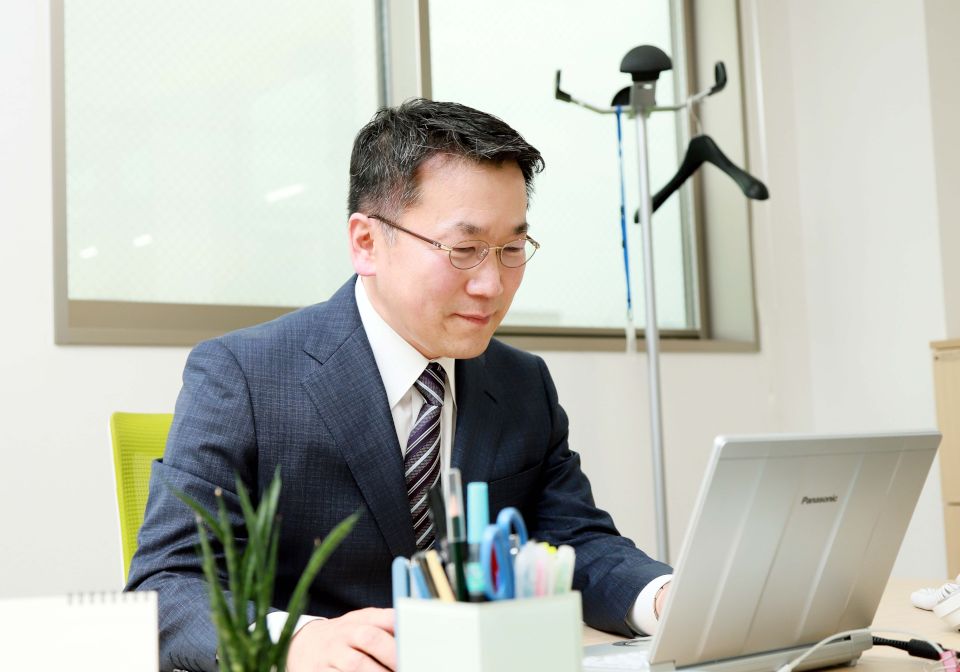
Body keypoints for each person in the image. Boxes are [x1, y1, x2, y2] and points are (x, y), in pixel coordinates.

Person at [127, 98, 673, 672]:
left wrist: (666, 599)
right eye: (464, 250)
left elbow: (574, 543)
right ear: (366, 242)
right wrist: (293, 642)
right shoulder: (245, 376)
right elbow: (167, 584)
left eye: (512, 249)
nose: (492, 284)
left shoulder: (522, 383)